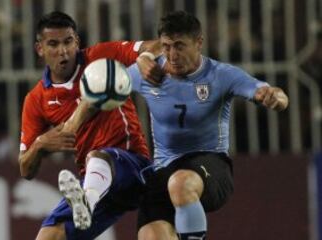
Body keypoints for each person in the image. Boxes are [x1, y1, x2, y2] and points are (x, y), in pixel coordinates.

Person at [127, 11, 289, 240]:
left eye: (180, 46)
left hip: (211, 165)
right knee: (152, 236)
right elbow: (105, 88)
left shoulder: (221, 75)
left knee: (180, 183)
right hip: (163, 169)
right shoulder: (148, 72)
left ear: (199, 43)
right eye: (166, 46)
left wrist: (275, 97)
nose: (172, 55)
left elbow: (275, 95)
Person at [18, 11, 160, 240]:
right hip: (93, 179)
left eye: (68, 42)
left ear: (77, 42)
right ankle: (87, 201)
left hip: (133, 165)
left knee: (99, 156)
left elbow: (157, 46)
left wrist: (144, 58)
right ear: (40, 49)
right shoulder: (36, 99)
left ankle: (87, 200)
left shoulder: (101, 58)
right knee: (48, 236)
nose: (63, 51)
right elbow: (25, 169)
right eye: (53, 44)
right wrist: (40, 145)